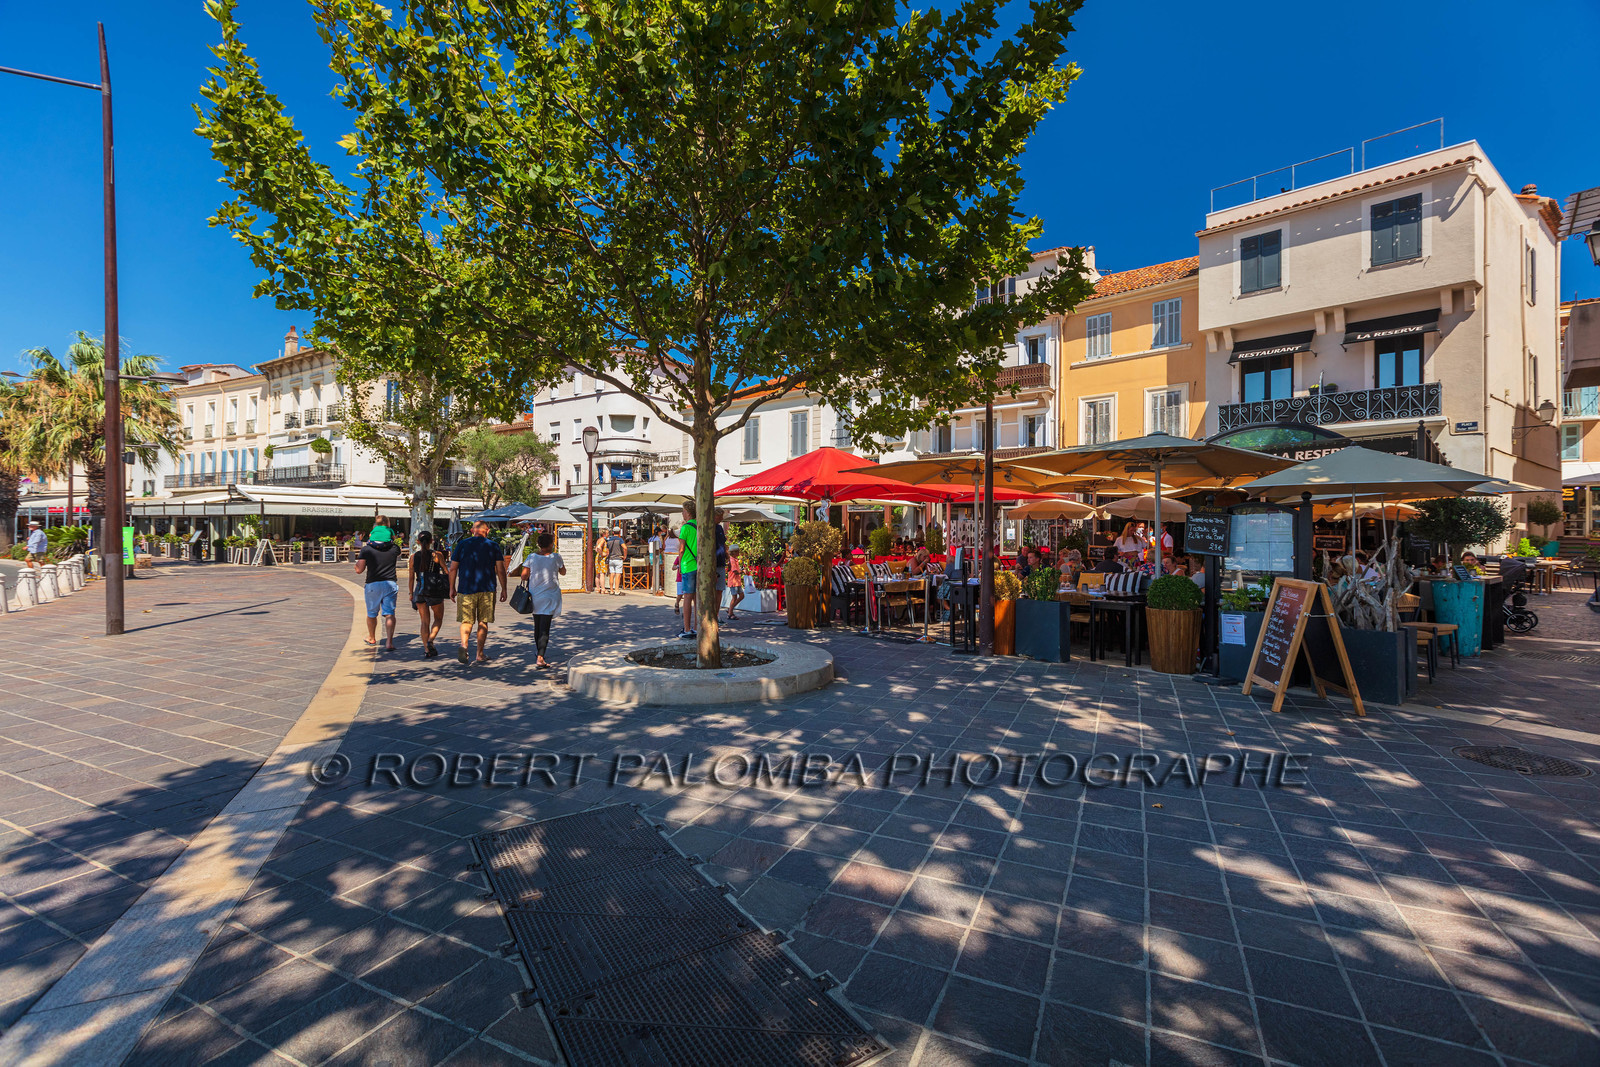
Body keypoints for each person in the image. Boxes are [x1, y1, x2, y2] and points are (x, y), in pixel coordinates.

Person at [450, 519, 507, 665]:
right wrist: (504, 589)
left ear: (472, 531)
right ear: (487, 531)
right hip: (487, 589)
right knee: (483, 622)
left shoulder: (462, 544)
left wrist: (452, 588)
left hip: (465, 588)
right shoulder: (493, 546)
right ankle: (479, 654)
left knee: (466, 620)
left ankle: (464, 645)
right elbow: (500, 569)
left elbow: (453, 568)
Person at [516, 531, 566, 669]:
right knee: (545, 627)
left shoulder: (532, 557)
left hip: (535, 595)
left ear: (539, 544)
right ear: (551, 544)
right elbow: (563, 572)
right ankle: (540, 656)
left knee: (538, 625)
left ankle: (539, 651)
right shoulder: (556, 557)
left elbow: (524, 576)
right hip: (550, 596)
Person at [354, 526, 403, 652]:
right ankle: (389, 642)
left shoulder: (366, 549)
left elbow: (359, 570)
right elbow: (395, 543)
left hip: (373, 585)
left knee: (371, 613)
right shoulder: (394, 549)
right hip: (390, 584)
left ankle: (371, 637)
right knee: (389, 613)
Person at [408, 531, 448, 658]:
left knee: (424, 621)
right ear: (432, 541)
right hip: (434, 590)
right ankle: (431, 640)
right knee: (438, 618)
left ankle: (427, 650)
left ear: (418, 542)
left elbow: (411, 578)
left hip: (419, 590)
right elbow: (446, 571)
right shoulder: (437, 555)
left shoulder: (413, 557)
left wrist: (411, 593)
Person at [676, 501, 698, 638]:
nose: (682, 514)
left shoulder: (685, 528)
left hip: (688, 565)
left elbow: (682, 549)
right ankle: (697, 626)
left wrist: (679, 564)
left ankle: (687, 628)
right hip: (698, 565)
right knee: (696, 599)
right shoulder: (699, 525)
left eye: (683, 511)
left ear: (688, 512)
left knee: (687, 598)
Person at [724, 545, 746, 621]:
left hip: (737, 581)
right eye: (738, 551)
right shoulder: (732, 560)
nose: (739, 553)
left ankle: (730, 609)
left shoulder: (735, 559)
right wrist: (742, 571)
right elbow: (735, 571)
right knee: (734, 597)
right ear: (734, 552)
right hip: (733, 581)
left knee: (742, 596)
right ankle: (730, 613)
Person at [606, 525, 626, 595]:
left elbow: (607, 551)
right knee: (618, 575)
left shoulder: (609, 540)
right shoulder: (620, 539)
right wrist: (624, 556)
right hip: (618, 559)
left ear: (613, 532)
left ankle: (611, 590)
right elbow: (625, 548)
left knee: (612, 574)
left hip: (611, 559)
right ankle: (617, 590)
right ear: (619, 532)